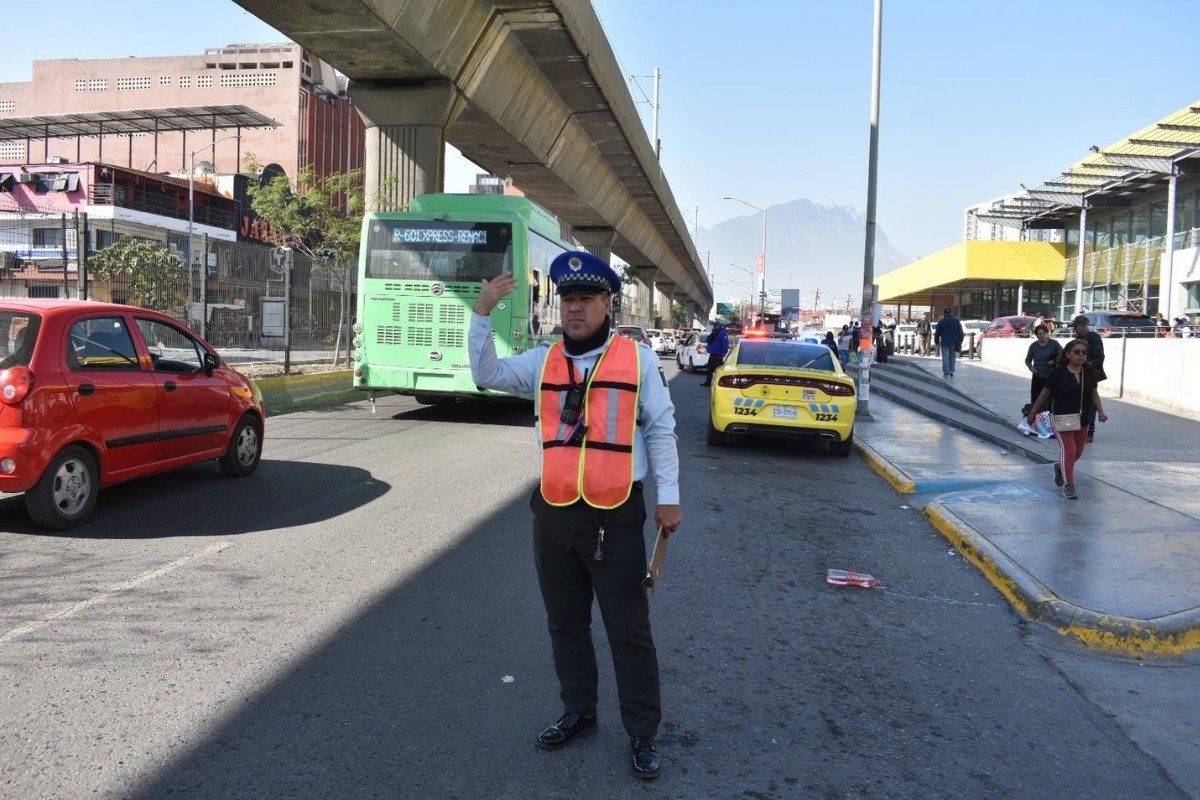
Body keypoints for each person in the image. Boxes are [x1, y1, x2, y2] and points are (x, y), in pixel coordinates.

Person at [467, 250, 681, 781]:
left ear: (608, 304)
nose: (575, 309)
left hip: (617, 515)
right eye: (568, 300)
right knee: (565, 624)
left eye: (586, 299)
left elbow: (660, 427)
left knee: (628, 630)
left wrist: (669, 496)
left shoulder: (639, 360)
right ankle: (580, 712)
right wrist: (482, 313)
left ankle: (642, 733)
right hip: (556, 514)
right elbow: (486, 373)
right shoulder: (543, 360)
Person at [1026, 339, 1108, 499]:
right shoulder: (1059, 372)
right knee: (1069, 450)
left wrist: (1101, 411)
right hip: (1063, 416)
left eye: (1084, 352)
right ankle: (1069, 485)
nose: (1081, 355)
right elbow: (1045, 393)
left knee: (1077, 453)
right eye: (1077, 352)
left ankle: (1059, 466)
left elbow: (1093, 393)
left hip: (1083, 418)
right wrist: (1032, 413)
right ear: (1068, 354)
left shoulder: (1088, 371)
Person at [1071, 315, 1105, 443]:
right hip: (1076, 374)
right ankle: (1076, 428)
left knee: (1090, 403)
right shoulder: (1078, 339)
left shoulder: (1093, 338)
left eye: (1076, 327)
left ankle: (1089, 432)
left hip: (1090, 375)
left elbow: (1099, 358)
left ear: (1083, 326)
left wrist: (1085, 365)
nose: (1075, 330)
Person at [1024, 324, 1063, 405]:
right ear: (1036, 335)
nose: (1042, 335)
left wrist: (1054, 361)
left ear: (1047, 333)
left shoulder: (1054, 343)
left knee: (1050, 400)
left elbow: (1063, 355)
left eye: (1044, 333)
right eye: (1039, 334)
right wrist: (1031, 367)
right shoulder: (1033, 346)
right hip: (1037, 376)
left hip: (1051, 376)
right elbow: (1028, 360)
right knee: (1036, 399)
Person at [934, 307, 964, 378]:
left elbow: (937, 332)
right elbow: (960, 332)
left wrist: (936, 341)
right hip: (954, 342)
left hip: (945, 342)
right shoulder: (956, 321)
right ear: (951, 313)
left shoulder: (941, 321)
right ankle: (951, 371)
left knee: (945, 357)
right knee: (952, 356)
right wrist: (960, 341)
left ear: (944, 313)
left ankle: (946, 372)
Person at [701, 320, 729, 387]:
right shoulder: (714, 332)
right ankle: (708, 382)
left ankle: (718, 384)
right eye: (714, 325)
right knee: (709, 371)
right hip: (712, 355)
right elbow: (709, 341)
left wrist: (723, 353)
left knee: (718, 372)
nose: (714, 326)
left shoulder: (722, 333)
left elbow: (725, 344)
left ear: (719, 326)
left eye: (715, 325)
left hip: (718, 356)